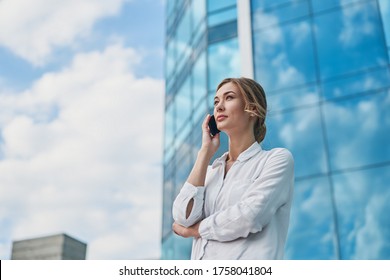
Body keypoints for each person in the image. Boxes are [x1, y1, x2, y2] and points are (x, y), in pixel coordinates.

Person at [172, 77, 294, 260]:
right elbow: (183, 217)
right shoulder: (211, 172)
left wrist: (196, 230)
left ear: (252, 109)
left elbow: (250, 216)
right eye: (216, 102)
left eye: (229, 98)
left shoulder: (275, 160)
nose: (219, 107)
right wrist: (205, 152)